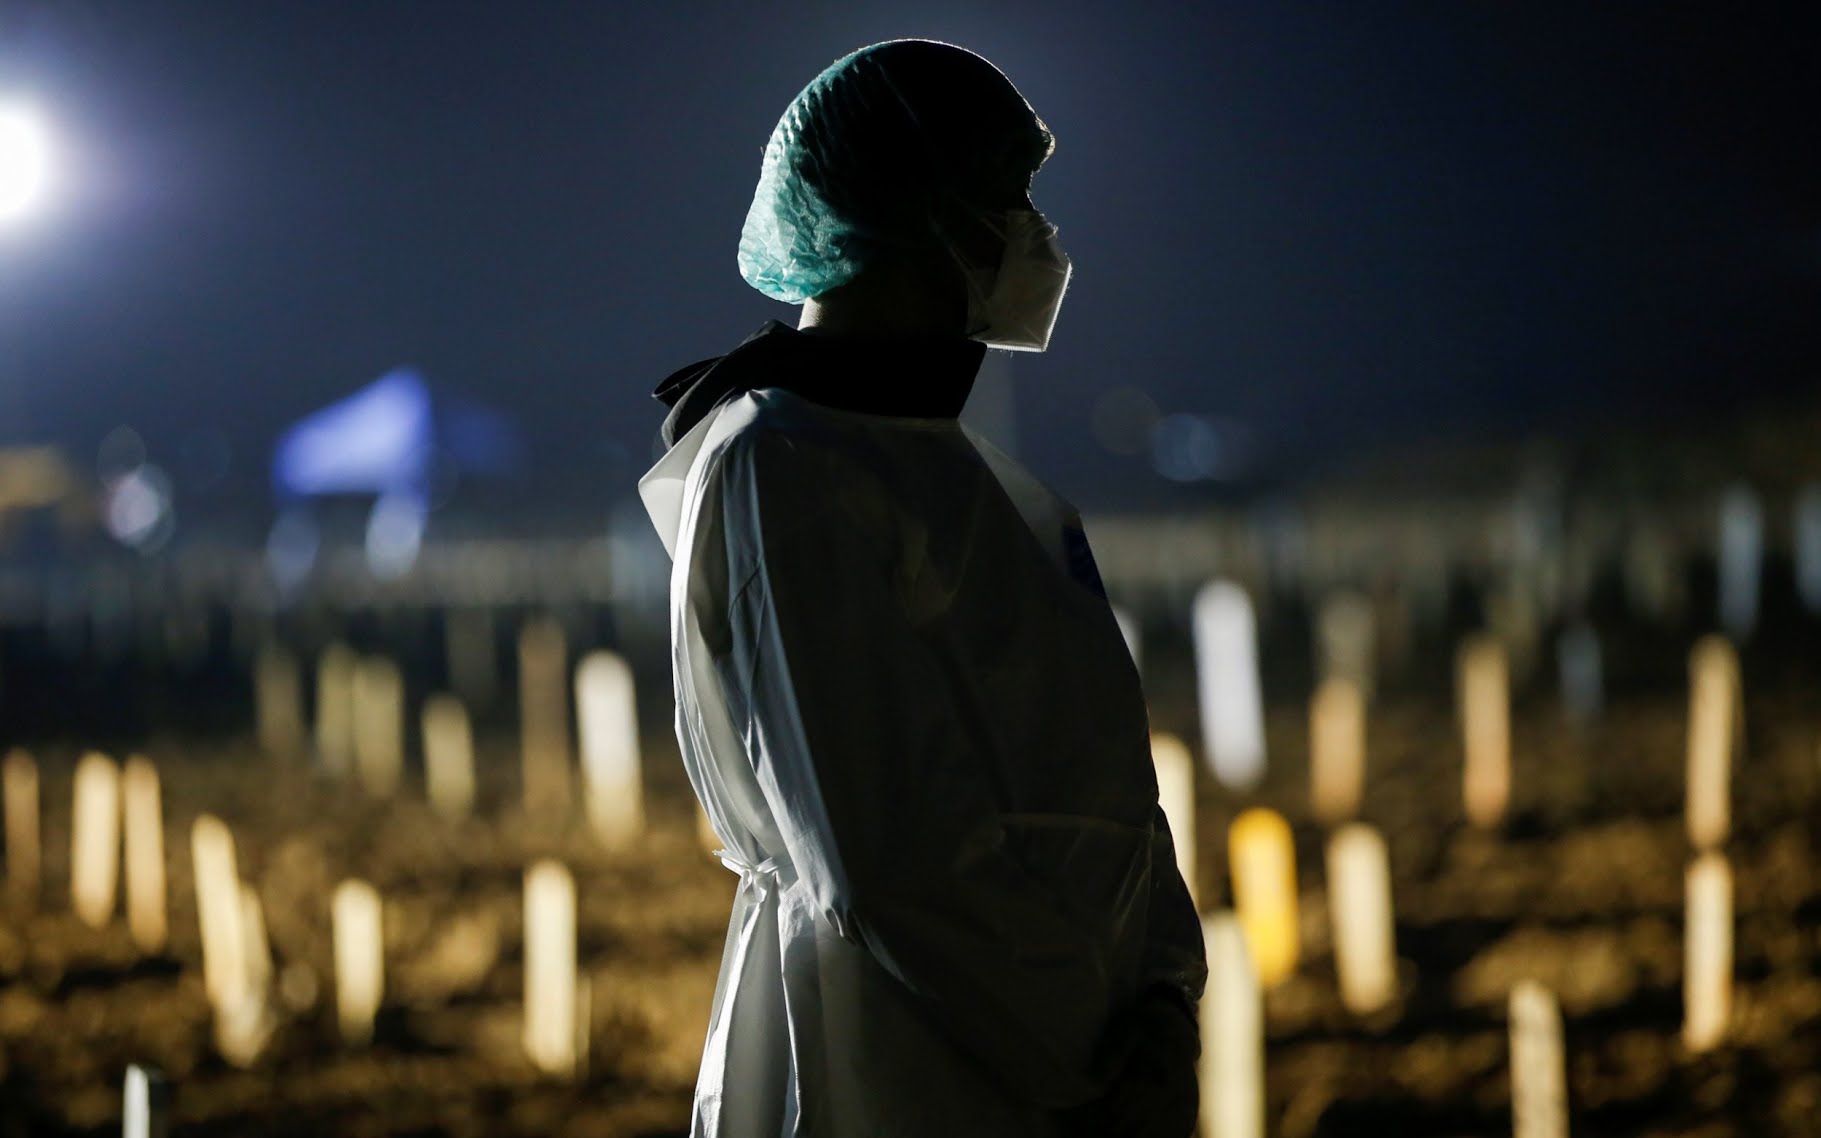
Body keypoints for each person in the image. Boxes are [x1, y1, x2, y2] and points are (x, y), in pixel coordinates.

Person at [639, 39, 1206, 1137]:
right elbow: (882, 858)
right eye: (1006, 196)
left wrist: (1163, 1004)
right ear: (909, 213)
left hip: (1076, 1059)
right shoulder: (782, 468)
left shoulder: (983, 484)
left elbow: (1104, 789)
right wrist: (1087, 1067)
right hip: (901, 1068)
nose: (1035, 235)